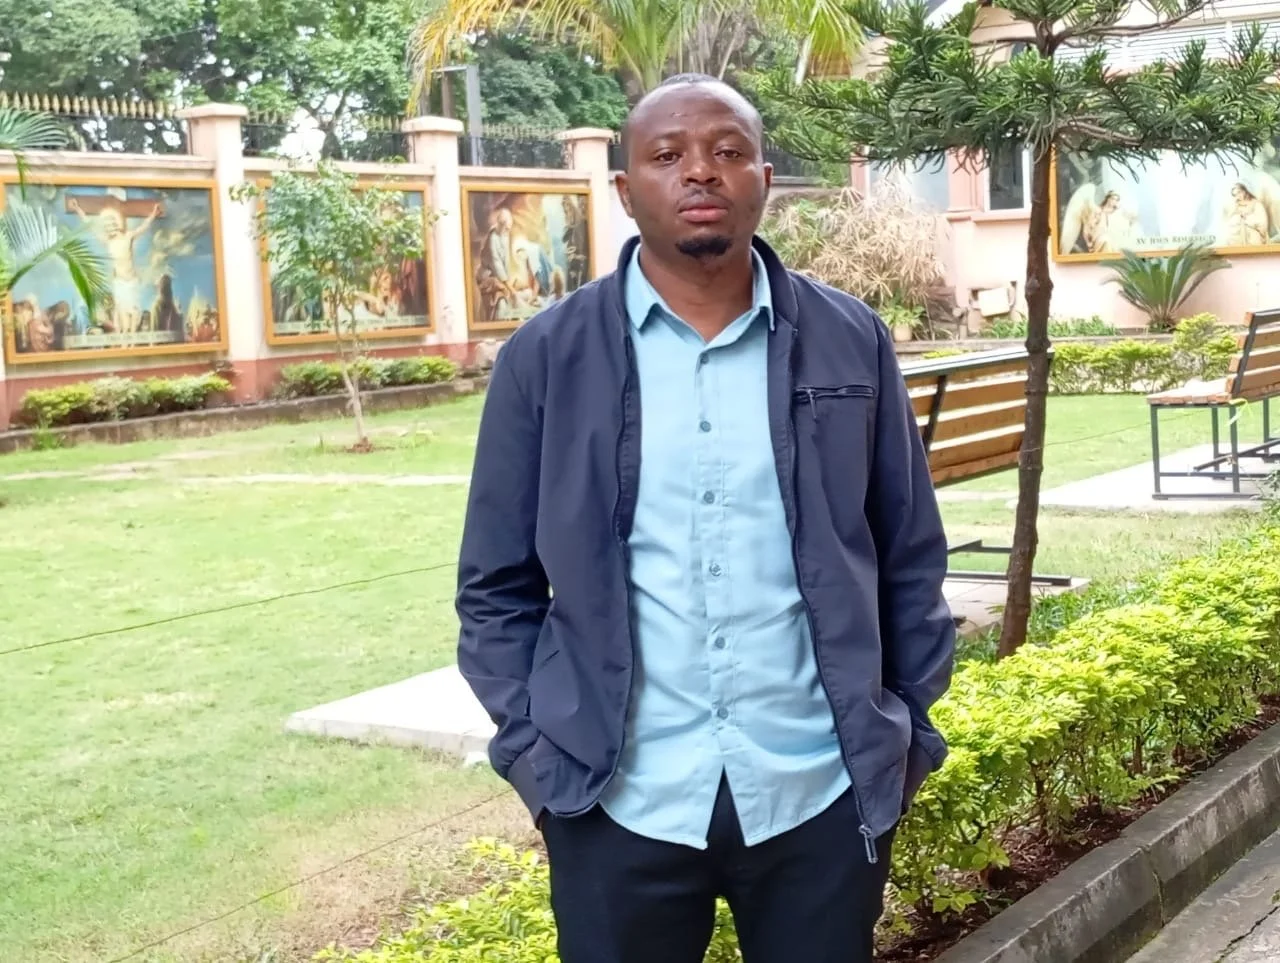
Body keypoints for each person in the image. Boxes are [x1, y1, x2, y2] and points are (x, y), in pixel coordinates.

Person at [455, 73, 955, 963]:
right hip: (618, 800)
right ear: (624, 189)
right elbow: (495, 585)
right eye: (668, 154)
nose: (701, 172)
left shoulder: (852, 341)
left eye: (728, 152)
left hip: (817, 792)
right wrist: (536, 757)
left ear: (764, 176)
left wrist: (904, 734)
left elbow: (908, 551)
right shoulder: (546, 357)